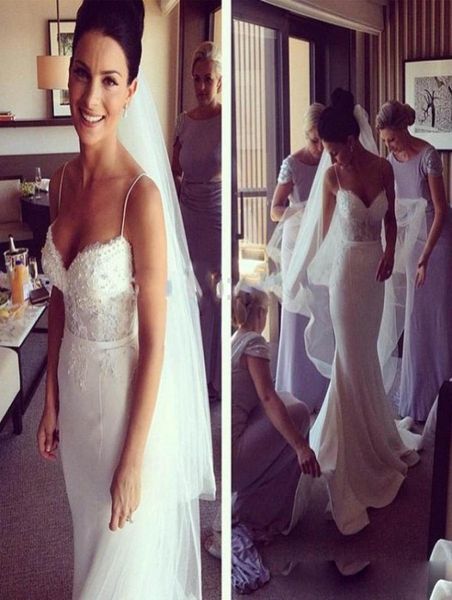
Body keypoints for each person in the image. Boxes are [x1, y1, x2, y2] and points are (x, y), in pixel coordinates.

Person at [37, 2, 214, 598]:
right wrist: (51, 398)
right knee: (89, 543)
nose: (91, 97)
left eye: (110, 80)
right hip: (76, 403)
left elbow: (158, 341)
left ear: (131, 91)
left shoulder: (143, 198)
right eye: (82, 73)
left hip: (123, 415)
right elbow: (60, 298)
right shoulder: (61, 181)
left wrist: (134, 460)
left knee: (123, 569)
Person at [285, 89, 420, 536]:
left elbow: (391, 219)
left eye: (335, 148)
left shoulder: (382, 168)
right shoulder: (331, 179)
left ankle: (376, 437)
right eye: (326, 150)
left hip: (375, 273)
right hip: (345, 276)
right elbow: (321, 232)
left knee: (365, 357)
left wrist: (390, 252)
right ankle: (348, 454)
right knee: (349, 357)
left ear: (350, 139)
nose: (331, 156)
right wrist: (301, 271)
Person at [376, 100, 452, 422]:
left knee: (436, 321)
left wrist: (424, 257)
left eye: (392, 139)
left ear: (403, 129)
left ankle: (441, 408)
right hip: (411, 245)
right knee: (414, 320)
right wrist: (393, 249)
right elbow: (393, 209)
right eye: (385, 141)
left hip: (437, 243)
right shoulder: (389, 161)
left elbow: (441, 210)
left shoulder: (429, 155)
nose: (389, 146)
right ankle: (416, 403)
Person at [232, 281, 320, 542]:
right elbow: (267, 397)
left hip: (226, 450)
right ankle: (262, 511)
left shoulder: (235, 339)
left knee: (288, 402)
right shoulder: (254, 344)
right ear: (260, 313)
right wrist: (300, 446)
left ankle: (258, 498)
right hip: (234, 459)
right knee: (300, 413)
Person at [269, 102, 328, 412]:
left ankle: (321, 390)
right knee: (297, 311)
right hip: (296, 243)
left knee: (321, 309)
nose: (319, 148)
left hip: (323, 244)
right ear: (306, 135)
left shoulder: (331, 161)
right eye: (314, 140)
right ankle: (295, 389)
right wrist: (301, 212)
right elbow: (274, 210)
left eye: (323, 141)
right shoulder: (292, 164)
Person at [171, 41, 222, 401]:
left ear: (219, 81)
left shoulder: (227, 120)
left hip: (216, 218)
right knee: (188, 295)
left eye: (208, 79)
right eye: (196, 79)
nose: (201, 86)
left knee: (213, 298)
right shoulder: (183, 122)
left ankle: (212, 379)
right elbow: (174, 170)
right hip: (187, 216)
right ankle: (190, 373)